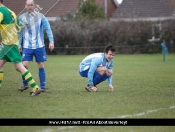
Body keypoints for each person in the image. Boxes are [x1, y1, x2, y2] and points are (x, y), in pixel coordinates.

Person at [0, 0, 42, 96]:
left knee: (19, 66)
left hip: (9, 44)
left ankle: (36, 87)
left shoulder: (1, 12)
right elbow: (20, 25)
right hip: (10, 43)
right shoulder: (10, 11)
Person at [18, 0, 54, 92]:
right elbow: (20, 33)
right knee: (24, 65)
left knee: (41, 65)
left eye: (31, 5)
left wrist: (51, 41)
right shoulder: (21, 18)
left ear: (34, 6)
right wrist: (19, 44)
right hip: (27, 46)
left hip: (39, 46)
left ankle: (43, 87)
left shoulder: (41, 16)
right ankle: (25, 84)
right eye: (28, 5)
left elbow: (48, 29)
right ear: (25, 6)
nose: (30, 6)